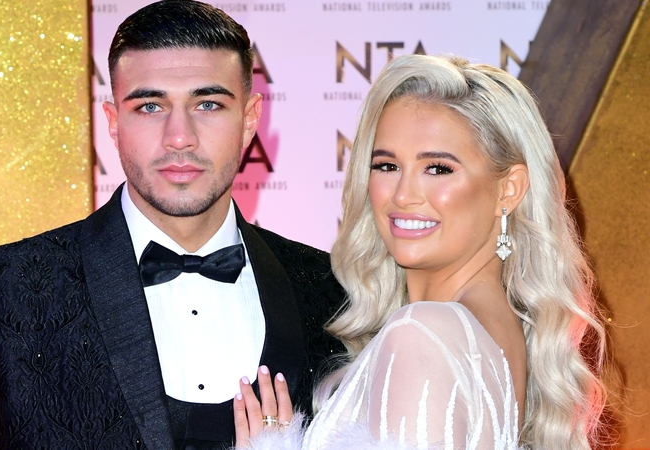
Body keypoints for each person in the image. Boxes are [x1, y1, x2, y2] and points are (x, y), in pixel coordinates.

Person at [0, 1, 345, 449]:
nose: (180, 137)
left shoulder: (333, 292)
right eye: (151, 106)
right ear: (114, 123)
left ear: (250, 120)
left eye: (208, 104)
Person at [234, 54, 607, 449]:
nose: (403, 195)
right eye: (386, 165)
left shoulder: (421, 333)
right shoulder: (501, 333)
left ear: (508, 189)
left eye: (438, 168)